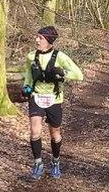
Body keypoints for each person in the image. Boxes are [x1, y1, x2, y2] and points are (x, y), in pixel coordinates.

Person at [21, 26, 84, 179]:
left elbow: (79, 75)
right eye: (37, 37)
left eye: (40, 38)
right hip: (36, 98)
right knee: (35, 131)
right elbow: (28, 76)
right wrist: (26, 87)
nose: (37, 40)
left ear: (49, 41)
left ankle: (55, 162)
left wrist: (63, 73)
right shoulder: (31, 56)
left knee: (55, 134)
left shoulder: (60, 56)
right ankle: (38, 164)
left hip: (54, 100)